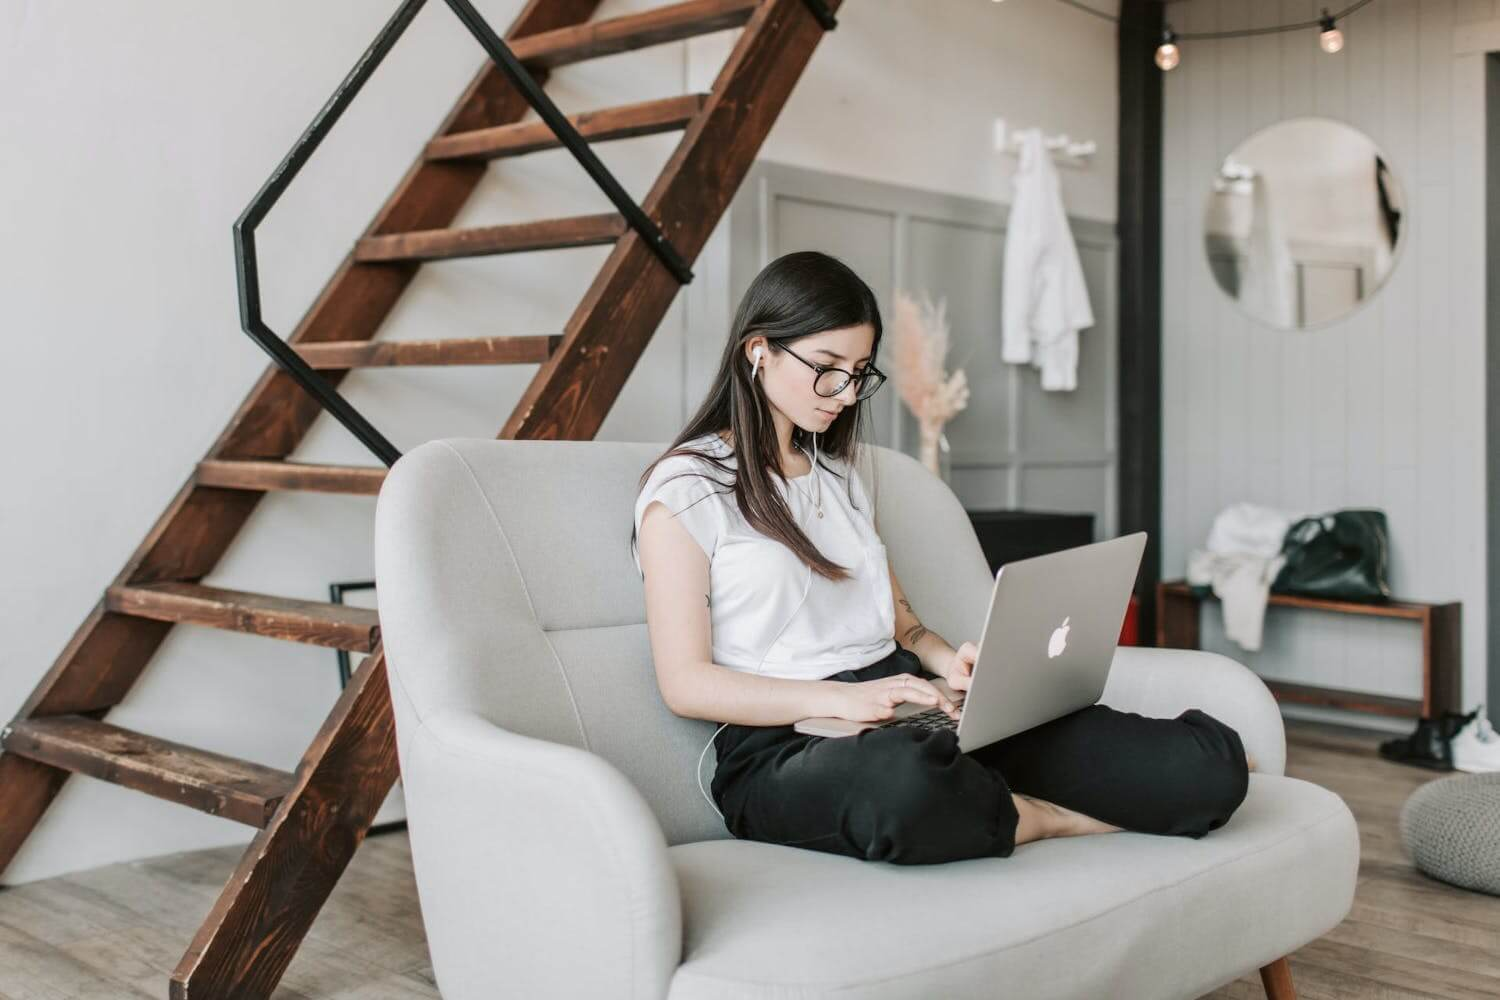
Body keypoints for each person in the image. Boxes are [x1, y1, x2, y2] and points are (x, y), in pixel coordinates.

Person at [630, 250, 1252, 866]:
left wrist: (953, 664)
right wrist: (835, 699)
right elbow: (685, 683)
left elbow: (906, 626)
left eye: (859, 372)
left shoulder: (839, 476)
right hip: (786, 748)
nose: (845, 393)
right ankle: (1045, 818)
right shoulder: (686, 491)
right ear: (757, 350)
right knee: (908, 786)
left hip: (909, 709)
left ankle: (999, 797)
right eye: (826, 367)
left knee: (1202, 769)